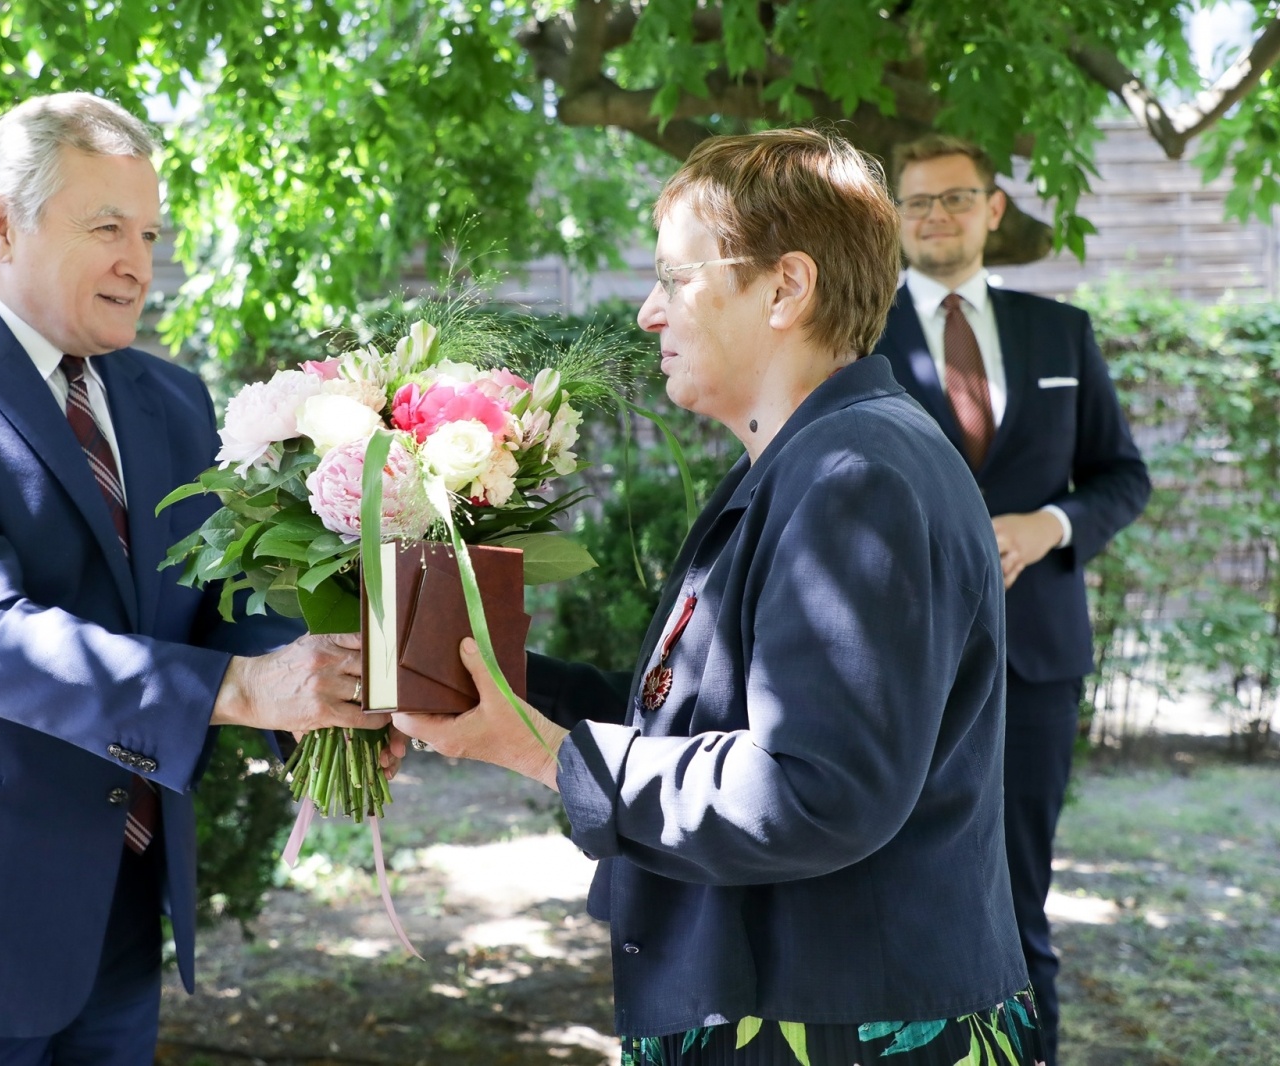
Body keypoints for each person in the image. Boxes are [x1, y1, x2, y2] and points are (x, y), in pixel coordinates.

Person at [396, 128, 1040, 1065]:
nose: (649, 312)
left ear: (786, 287)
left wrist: (543, 752)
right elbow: (692, 716)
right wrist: (475, 679)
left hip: (837, 1029)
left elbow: (813, 789)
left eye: (676, 277)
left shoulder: (856, 477)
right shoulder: (815, 458)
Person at [0, 92, 393, 1065]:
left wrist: (322, 703)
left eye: (148, 233)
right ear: (3, 224)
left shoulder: (173, 398)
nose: (139, 263)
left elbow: (216, 603)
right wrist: (247, 690)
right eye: (106, 227)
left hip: (120, 917)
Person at [872, 135, 1151, 1066]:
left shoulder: (1060, 332)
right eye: (917, 202)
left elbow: (1123, 476)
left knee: (1020, 892)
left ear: (993, 208)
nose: (936, 217)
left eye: (955, 198)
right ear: (895, 217)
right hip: (897, 660)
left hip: (1035, 661)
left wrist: (1050, 525)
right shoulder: (857, 332)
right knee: (897, 885)